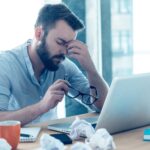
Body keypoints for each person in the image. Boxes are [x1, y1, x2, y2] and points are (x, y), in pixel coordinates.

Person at [0, 3, 108, 125]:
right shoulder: (4, 64)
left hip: (53, 141)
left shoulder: (64, 66)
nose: (64, 52)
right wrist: (41, 106)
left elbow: (102, 106)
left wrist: (91, 69)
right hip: (15, 143)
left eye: (68, 45)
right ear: (39, 34)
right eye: (60, 42)